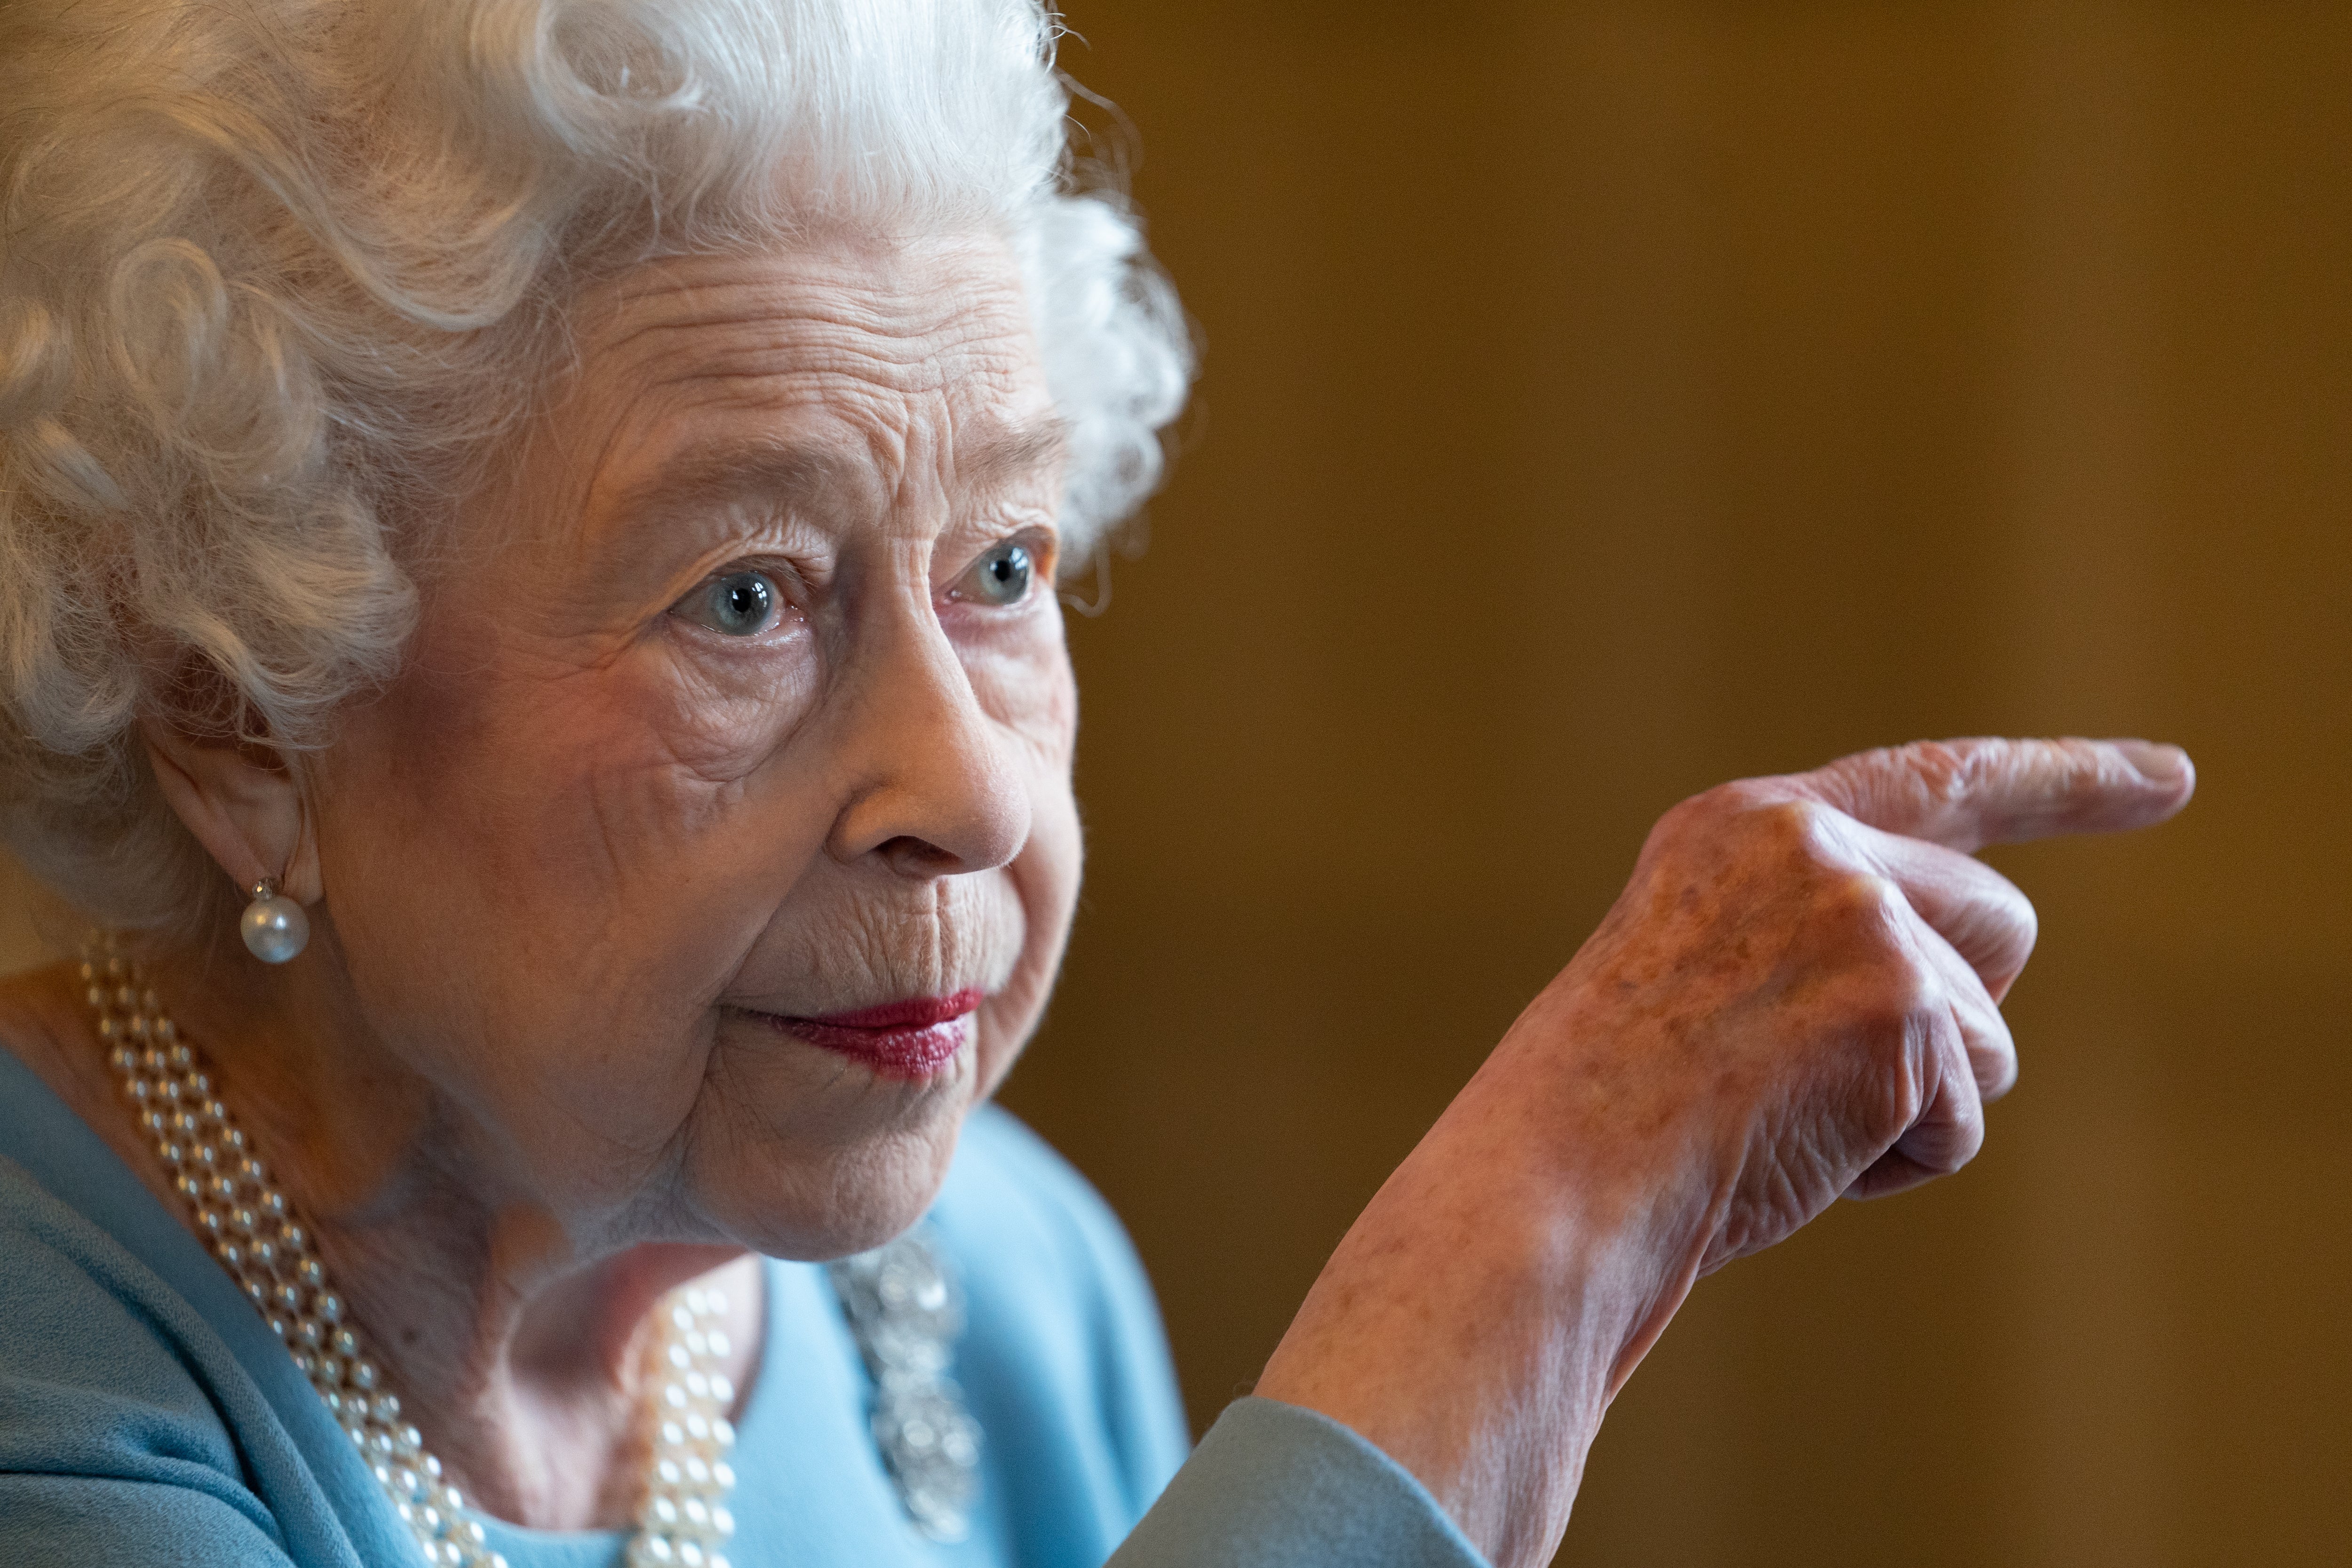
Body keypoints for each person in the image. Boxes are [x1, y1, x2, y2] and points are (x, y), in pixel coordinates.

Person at [0, 2, 2195, 1565]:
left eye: (1005, 566)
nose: (960, 784)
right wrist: (1540, 1229)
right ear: (243, 721)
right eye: (745, 598)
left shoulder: (1008, 1286)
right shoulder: (51, 1372)